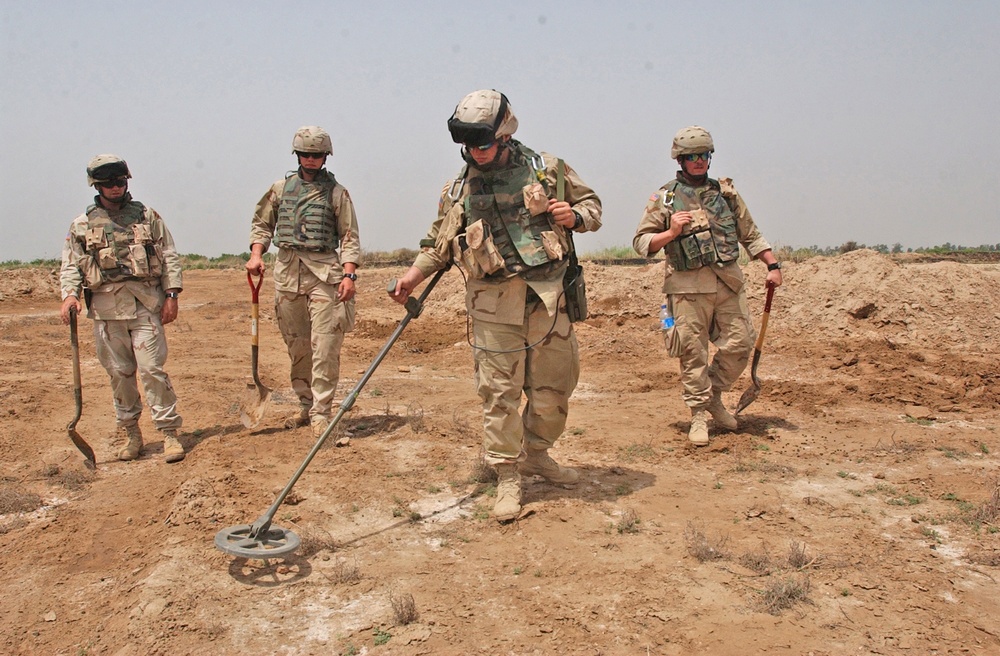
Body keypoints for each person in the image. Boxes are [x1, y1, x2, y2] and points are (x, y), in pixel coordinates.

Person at [391, 90, 602, 522]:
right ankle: (507, 475)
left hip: (548, 299)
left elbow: (593, 207)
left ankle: (537, 455)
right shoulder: (458, 189)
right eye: (468, 146)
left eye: (483, 144)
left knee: (554, 389)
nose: (475, 153)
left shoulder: (549, 170)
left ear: (505, 136)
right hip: (492, 306)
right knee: (500, 395)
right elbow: (438, 246)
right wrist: (410, 278)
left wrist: (574, 217)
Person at [633, 126, 783, 446]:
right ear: (681, 159)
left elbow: (750, 233)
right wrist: (671, 233)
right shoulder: (665, 197)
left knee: (740, 345)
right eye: (691, 156)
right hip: (687, 287)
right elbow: (641, 243)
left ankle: (714, 394)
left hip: (728, 282)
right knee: (692, 352)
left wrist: (771, 264)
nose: (698, 161)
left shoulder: (725, 193)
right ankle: (698, 413)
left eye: (703, 155)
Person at [59, 154, 186, 463]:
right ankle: (132, 434)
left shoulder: (147, 216)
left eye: (120, 182)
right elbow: (71, 265)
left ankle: (169, 433)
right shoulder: (82, 224)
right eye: (108, 184)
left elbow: (168, 255)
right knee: (119, 374)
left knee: (152, 370)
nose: (115, 188)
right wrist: (69, 296)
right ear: (97, 186)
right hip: (106, 311)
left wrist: (172, 295)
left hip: (145, 305)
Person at [246, 126, 361, 438]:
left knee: (325, 345)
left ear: (325, 157)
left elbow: (350, 238)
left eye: (317, 155)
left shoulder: (337, 194)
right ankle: (305, 403)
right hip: (287, 272)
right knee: (297, 345)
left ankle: (323, 413)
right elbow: (261, 224)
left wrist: (349, 275)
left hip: (326, 274)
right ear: (297, 155)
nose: (311, 159)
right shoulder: (280, 189)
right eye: (305, 154)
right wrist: (257, 255)